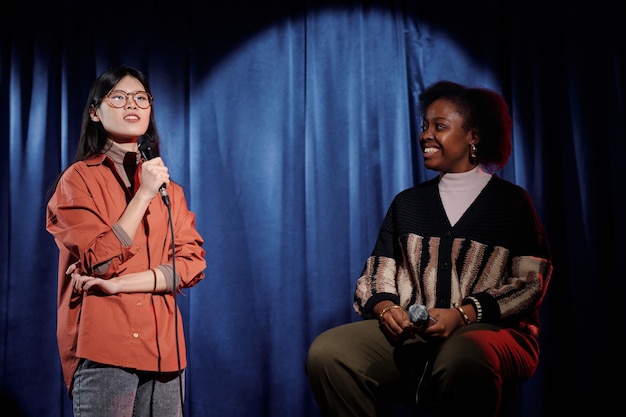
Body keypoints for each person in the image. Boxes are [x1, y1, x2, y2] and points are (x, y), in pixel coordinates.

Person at [305, 80, 553, 417]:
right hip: (417, 333)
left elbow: (530, 284)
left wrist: (463, 314)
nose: (425, 135)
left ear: (474, 136)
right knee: (329, 352)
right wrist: (386, 310)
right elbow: (376, 275)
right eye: (424, 126)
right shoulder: (408, 203)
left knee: (462, 354)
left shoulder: (510, 203)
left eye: (440, 126)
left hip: (497, 333)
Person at [46, 66, 206, 417]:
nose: (130, 104)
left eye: (140, 98)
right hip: (105, 345)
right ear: (94, 112)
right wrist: (143, 195)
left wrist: (119, 285)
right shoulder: (78, 180)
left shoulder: (171, 191)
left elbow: (190, 264)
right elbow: (98, 260)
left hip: (165, 348)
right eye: (117, 97)